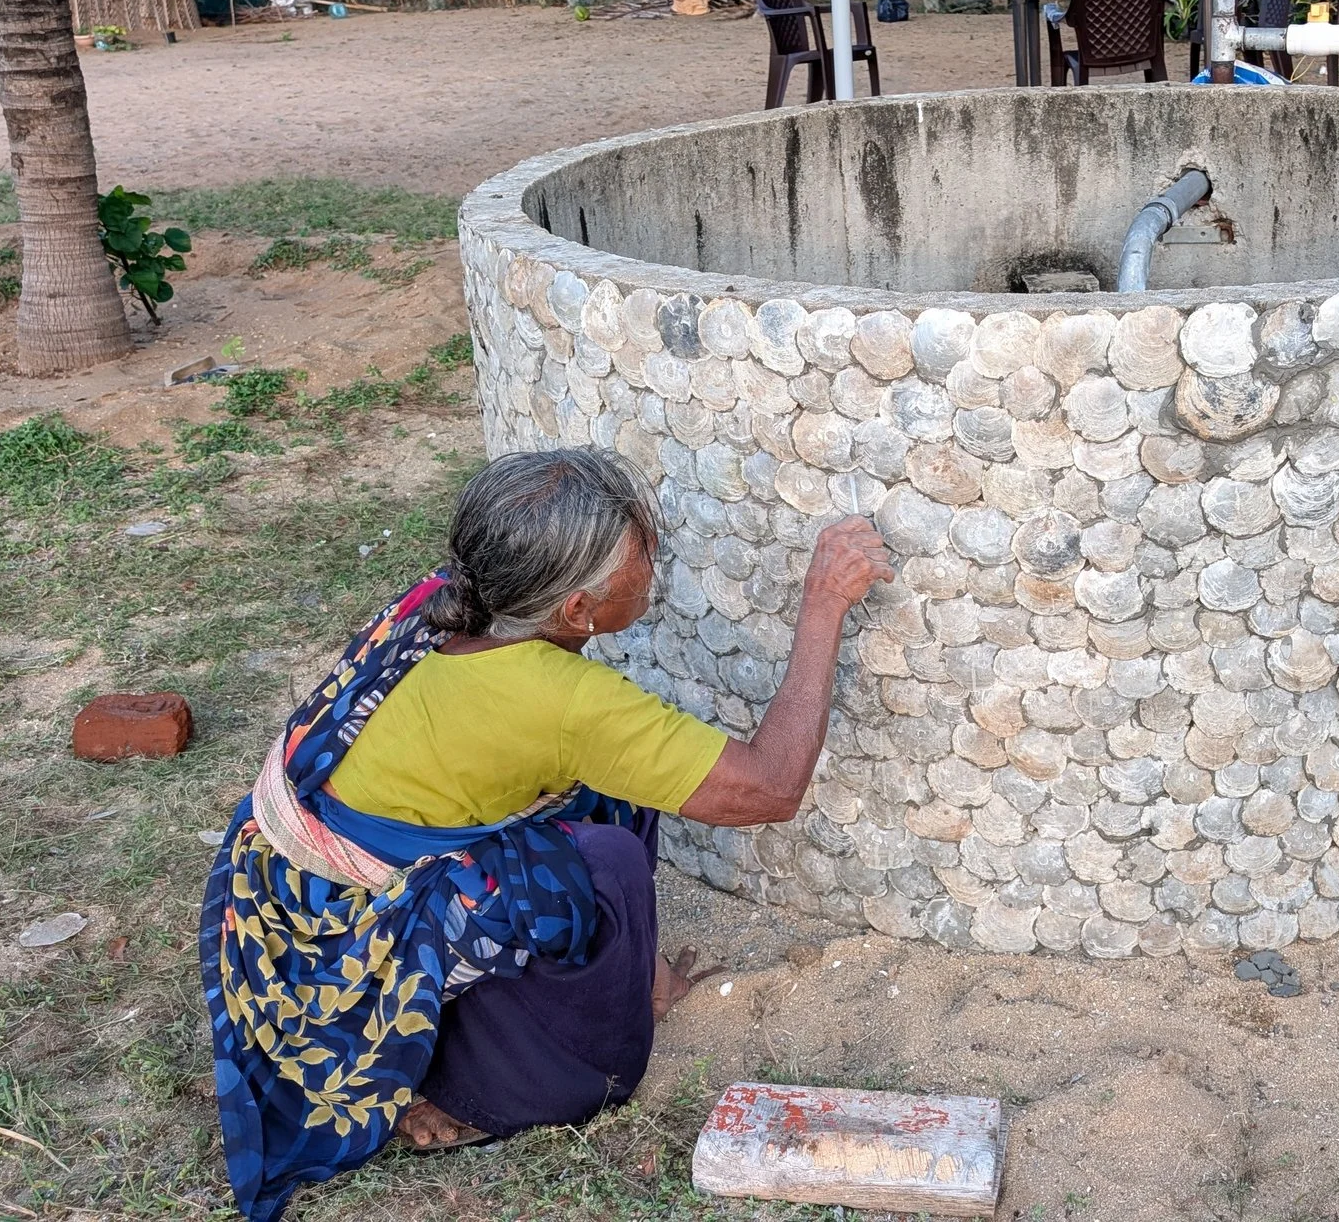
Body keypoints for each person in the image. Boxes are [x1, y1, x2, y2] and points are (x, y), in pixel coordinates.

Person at [198, 448, 892, 1221]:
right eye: (640, 557)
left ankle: (599, 989)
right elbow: (770, 786)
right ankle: (479, 1088)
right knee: (606, 865)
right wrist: (825, 602)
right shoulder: (562, 702)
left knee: (613, 789)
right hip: (340, 941)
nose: (653, 561)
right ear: (576, 613)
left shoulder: (443, 602)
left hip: (283, 896)